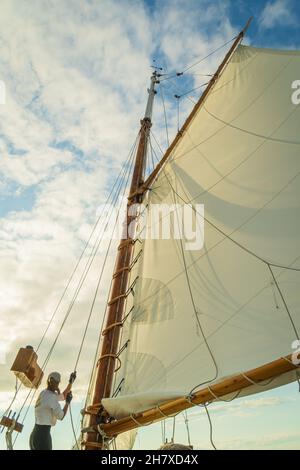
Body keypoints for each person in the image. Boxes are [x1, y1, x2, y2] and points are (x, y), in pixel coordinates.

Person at [29, 371, 76, 450]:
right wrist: (67, 403)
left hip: (34, 435)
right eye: (56, 383)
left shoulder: (43, 393)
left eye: (58, 383)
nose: (57, 385)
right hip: (43, 437)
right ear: (50, 381)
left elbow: (63, 395)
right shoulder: (51, 397)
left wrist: (71, 382)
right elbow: (61, 416)